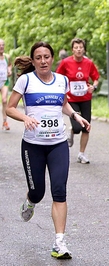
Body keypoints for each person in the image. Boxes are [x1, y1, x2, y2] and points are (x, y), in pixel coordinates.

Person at [6, 41, 91, 259]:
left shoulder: (62, 80)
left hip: (58, 144)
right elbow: (10, 108)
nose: (43, 61)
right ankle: (31, 200)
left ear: (52, 58)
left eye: (47, 56)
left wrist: (75, 115)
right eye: (38, 57)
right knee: (38, 192)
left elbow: (63, 103)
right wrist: (25, 117)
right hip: (33, 146)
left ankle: (59, 243)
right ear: (33, 61)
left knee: (60, 191)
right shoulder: (26, 80)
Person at [56, 38, 100, 164]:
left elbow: (95, 78)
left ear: (84, 49)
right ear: (72, 50)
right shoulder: (65, 62)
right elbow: (58, 77)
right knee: (77, 127)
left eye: (81, 47)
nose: (79, 49)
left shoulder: (88, 63)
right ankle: (72, 130)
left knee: (86, 127)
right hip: (71, 99)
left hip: (85, 98)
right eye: (76, 47)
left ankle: (81, 153)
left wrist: (93, 87)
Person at [0, 39, 12, 131]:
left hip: (4, 81)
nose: (1, 47)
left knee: (4, 100)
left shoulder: (7, 57)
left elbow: (9, 65)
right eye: (0, 45)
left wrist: (9, 70)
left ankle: (5, 122)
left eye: (3, 45)